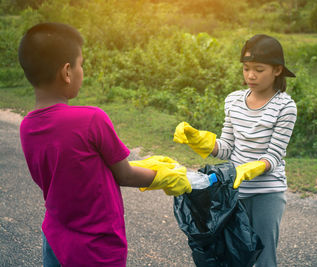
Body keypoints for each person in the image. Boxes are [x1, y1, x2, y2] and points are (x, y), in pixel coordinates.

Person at [18, 22, 191, 267]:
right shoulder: (91, 119)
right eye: (81, 65)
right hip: (96, 247)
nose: (82, 72)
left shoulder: (27, 127)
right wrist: (164, 176)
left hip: (55, 240)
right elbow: (125, 174)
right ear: (67, 72)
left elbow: (68, 170)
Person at [173, 34, 297, 266]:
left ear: (277, 70)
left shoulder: (285, 106)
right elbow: (227, 148)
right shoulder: (233, 101)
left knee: (263, 257)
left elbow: (274, 154)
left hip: (266, 193)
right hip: (233, 190)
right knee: (233, 255)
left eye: (259, 69)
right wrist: (201, 141)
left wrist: (254, 168)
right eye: (246, 68)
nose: (250, 75)